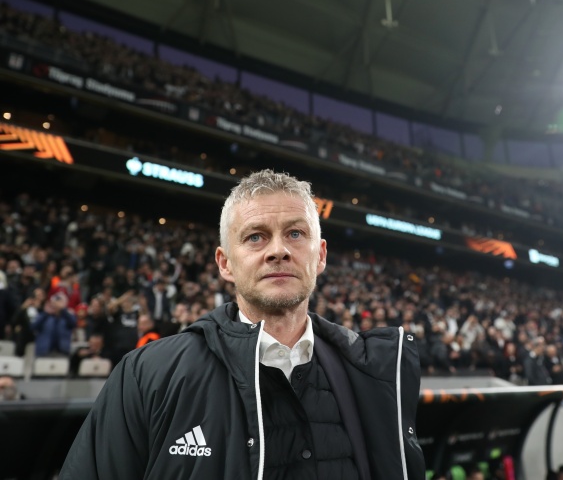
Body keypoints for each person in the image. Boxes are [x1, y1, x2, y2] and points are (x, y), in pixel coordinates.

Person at [60, 169, 425, 479]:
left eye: (295, 234)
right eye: (255, 237)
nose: (278, 250)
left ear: (321, 255)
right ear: (225, 264)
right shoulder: (146, 375)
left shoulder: (371, 374)